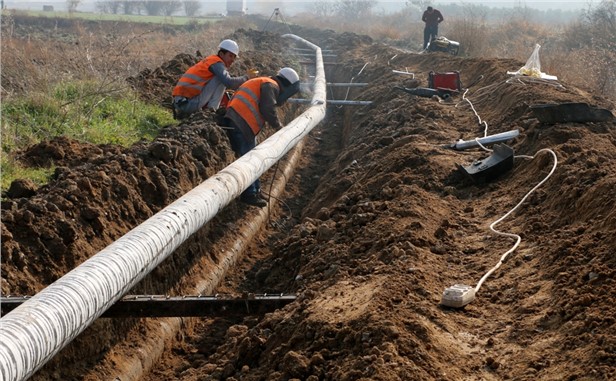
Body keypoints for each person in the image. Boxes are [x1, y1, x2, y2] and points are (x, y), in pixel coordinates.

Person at [223, 67, 301, 207]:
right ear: (287, 85)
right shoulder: (270, 85)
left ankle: (256, 190)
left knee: (253, 157)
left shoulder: (263, 81)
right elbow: (267, 108)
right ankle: (249, 194)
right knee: (249, 160)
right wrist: (278, 127)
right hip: (241, 122)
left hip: (238, 120)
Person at [172, 39, 252, 119]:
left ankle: (210, 111)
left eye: (234, 57)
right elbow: (229, 83)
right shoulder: (217, 64)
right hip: (186, 104)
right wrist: (247, 77)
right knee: (221, 79)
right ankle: (212, 112)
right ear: (221, 54)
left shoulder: (211, 61)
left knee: (221, 78)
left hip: (181, 102)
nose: (232, 60)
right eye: (230, 56)